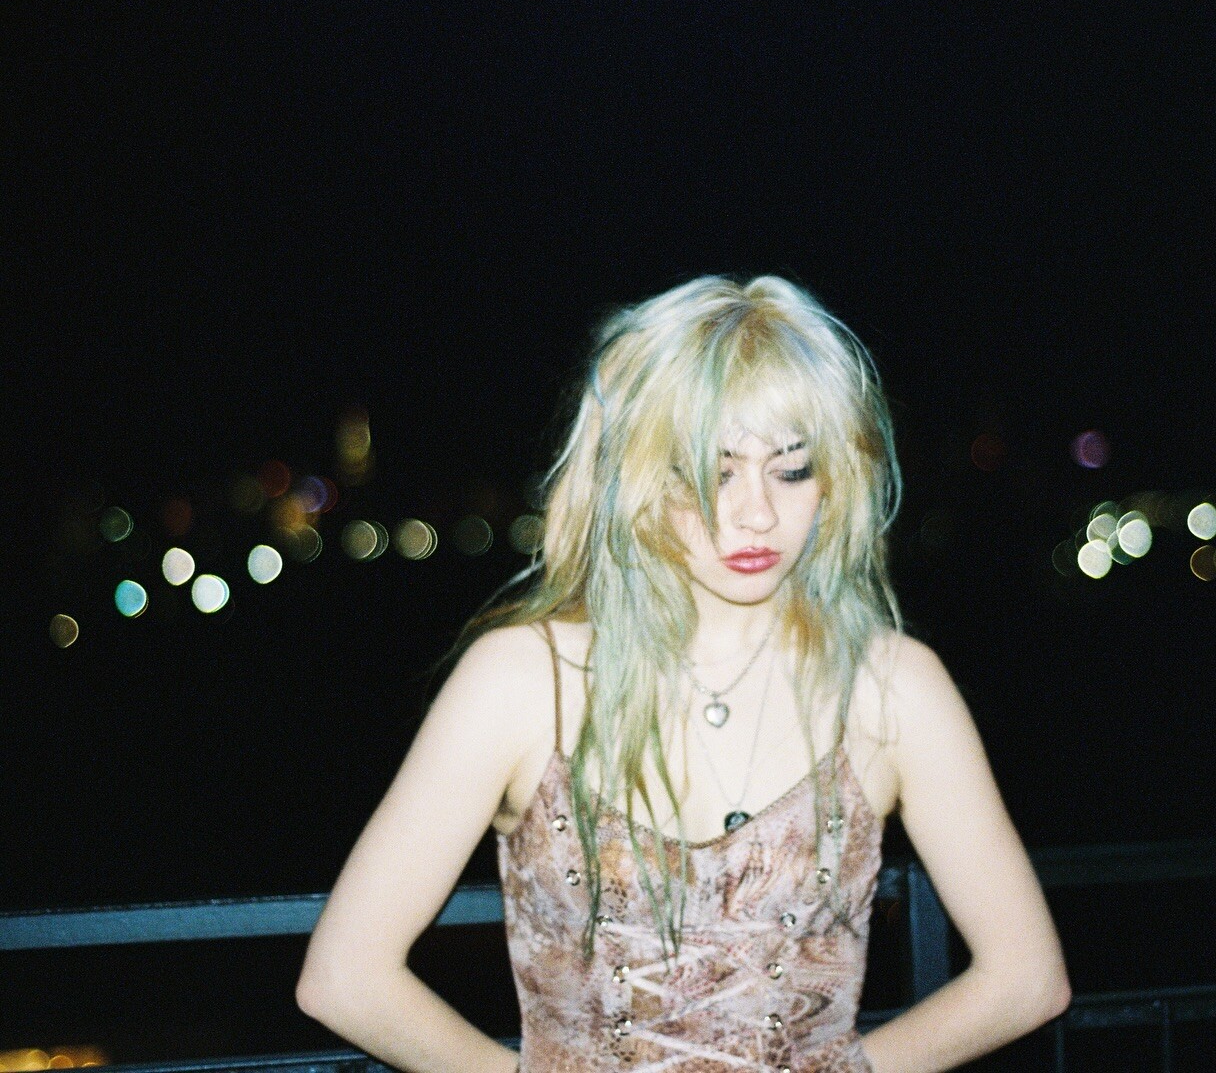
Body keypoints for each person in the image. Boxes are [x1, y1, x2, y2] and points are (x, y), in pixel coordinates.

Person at [296, 275, 1070, 1071]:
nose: (757, 512)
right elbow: (346, 979)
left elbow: (1027, 980)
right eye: (713, 471)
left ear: (836, 477)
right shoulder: (522, 680)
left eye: (792, 469)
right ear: (638, 476)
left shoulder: (892, 687)